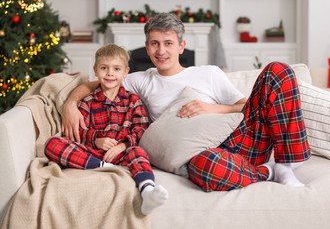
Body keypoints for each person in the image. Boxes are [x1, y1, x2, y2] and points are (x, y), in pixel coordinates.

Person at [61, 13, 311, 192]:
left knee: (279, 70)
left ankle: (286, 164)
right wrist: (70, 105)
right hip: (203, 154)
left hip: (240, 140)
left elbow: (245, 106)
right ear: (146, 48)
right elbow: (96, 83)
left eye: (168, 43)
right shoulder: (140, 80)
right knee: (207, 169)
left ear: (182, 46)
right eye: (155, 44)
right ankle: (267, 172)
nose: (161, 51)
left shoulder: (209, 73)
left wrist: (212, 108)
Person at [45, 44, 168, 214]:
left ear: (126, 72)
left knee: (138, 152)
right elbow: (79, 131)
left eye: (116, 69)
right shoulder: (88, 101)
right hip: (93, 154)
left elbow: (141, 130)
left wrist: (123, 145)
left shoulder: (133, 101)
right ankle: (102, 166)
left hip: (122, 153)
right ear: (95, 70)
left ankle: (147, 191)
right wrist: (96, 140)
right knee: (52, 144)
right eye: (104, 68)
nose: (110, 73)